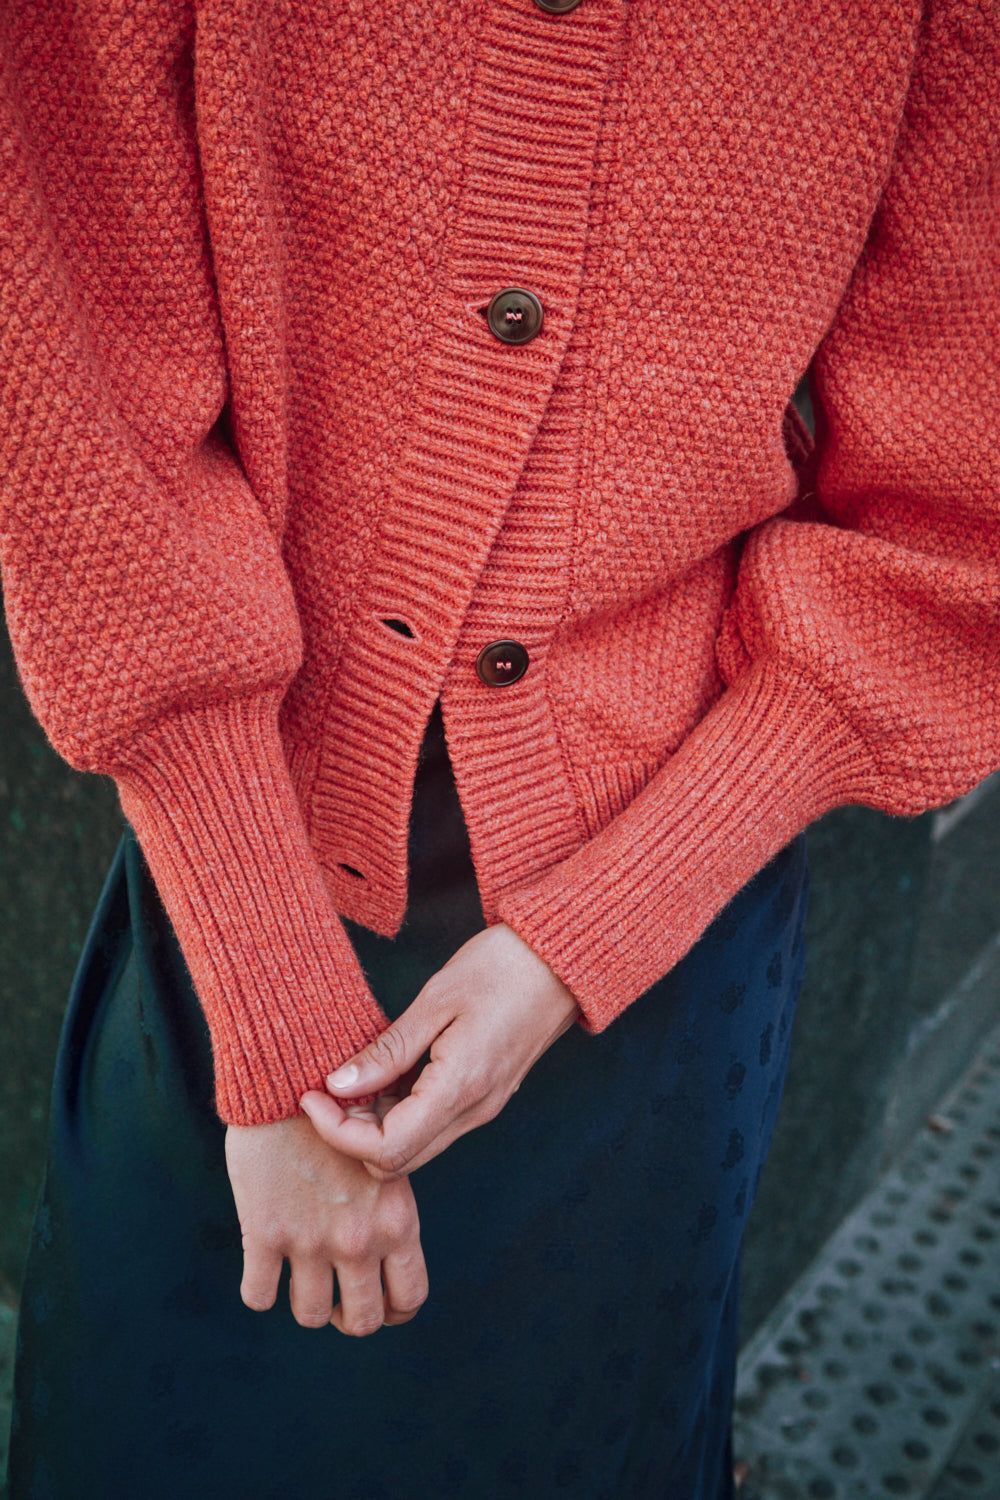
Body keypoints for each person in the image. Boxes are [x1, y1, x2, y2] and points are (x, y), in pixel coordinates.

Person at [2, 0, 997, 1495]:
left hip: (671, 923)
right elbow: (73, 391)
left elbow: (953, 512)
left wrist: (591, 933)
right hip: (239, 883)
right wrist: (275, 1026)